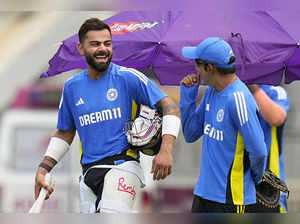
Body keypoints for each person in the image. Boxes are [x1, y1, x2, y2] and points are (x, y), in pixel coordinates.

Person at [34, 18, 180, 213]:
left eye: (107, 43)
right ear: (81, 48)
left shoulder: (127, 77)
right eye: (95, 44)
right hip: (88, 173)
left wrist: (166, 149)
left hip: (123, 166)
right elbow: (64, 132)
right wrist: (43, 168)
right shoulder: (71, 87)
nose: (102, 49)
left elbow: (170, 107)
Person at [179, 37, 268, 213]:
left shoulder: (238, 99)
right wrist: (188, 96)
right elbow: (190, 134)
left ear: (209, 68)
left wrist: (256, 180)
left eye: (197, 64)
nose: (195, 69)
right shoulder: (212, 91)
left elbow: (259, 151)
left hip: (231, 199)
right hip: (203, 194)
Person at [248, 84, 290, 213]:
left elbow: (277, 118)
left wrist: (253, 88)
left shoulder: (275, 91)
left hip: (270, 187)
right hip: (237, 184)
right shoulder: (230, 90)